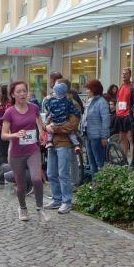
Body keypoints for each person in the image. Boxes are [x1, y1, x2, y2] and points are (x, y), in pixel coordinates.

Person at [2, 81, 49, 222]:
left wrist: (41, 133)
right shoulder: (9, 112)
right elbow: (3, 135)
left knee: (36, 178)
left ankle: (40, 209)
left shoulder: (34, 108)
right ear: (13, 95)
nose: (22, 94)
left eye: (24, 91)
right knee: (21, 185)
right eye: (19, 92)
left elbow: (39, 122)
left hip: (32, 150)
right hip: (16, 153)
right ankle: (22, 208)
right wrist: (15, 135)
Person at [43, 82, 80, 214]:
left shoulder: (71, 104)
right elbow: (48, 119)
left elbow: (72, 126)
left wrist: (55, 128)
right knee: (51, 173)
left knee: (63, 173)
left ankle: (66, 201)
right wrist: (47, 126)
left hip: (64, 143)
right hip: (52, 142)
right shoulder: (53, 102)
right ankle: (57, 199)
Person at [82, 79, 111, 176]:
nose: (86, 91)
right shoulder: (90, 101)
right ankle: (94, 182)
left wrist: (104, 136)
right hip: (88, 135)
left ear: (94, 89)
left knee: (99, 162)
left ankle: (101, 182)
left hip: (97, 136)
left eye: (88, 89)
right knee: (91, 161)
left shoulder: (101, 102)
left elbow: (106, 120)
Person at [114, 68, 133, 156]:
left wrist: (130, 113)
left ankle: (133, 159)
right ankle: (124, 158)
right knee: (122, 138)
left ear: (130, 75)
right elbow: (118, 100)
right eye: (123, 73)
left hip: (128, 115)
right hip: (120, 115)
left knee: (130, 138)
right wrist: (117, 111)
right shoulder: (121, 86)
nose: (124, 75)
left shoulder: (133, 86)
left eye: (126, 73)